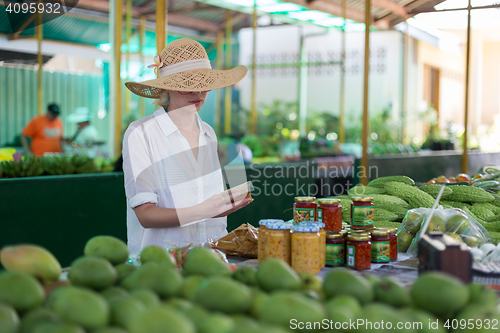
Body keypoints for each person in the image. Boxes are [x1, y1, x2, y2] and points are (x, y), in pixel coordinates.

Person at [123, 38, 252, 254]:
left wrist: (225, 204)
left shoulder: (208, 132)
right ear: (168, 88)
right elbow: (146, 215)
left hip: (212, 256)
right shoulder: (141, 133)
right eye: (187, 87)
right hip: (161, 263)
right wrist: (205, 210)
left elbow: (206, 205)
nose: (198, 94)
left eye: (204, 86)